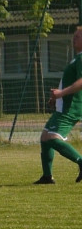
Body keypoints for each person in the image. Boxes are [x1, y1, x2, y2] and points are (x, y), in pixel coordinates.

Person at [36, 26, 82, 184]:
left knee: (52, 138)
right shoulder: (76, 58)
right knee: (45, 137)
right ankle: (47, 176)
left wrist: (61, 94)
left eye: (78, 36)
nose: (74, 38)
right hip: (64, 105)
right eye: (74, 35)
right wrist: (57, 98)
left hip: (71, 107)